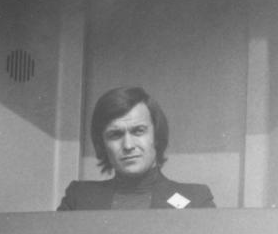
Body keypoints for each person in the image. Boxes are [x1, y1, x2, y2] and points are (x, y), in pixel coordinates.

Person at [57, 86, 215, 211]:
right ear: (102, 143)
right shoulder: (79, 198)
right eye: (115, 135)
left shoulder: (196, 200)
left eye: (138, 131)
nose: (128, 145)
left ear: (157, 136)